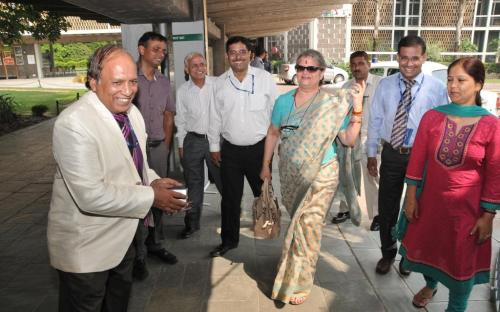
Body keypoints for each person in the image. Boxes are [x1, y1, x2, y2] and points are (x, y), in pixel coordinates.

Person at [47, 45, 187, 311]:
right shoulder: (74, 123)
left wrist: (154, 181)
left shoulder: (131, 114)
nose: (128, 90)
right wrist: (152, 196)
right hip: (86, 250)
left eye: (133, 81)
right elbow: (91, 196)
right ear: (93, 83)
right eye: (117, 82)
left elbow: (135, 166)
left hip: (123, 242)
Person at [260, 49, 366, 305]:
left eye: (311, 69)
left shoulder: (333, 103)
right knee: (296, 223)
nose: (305, 73)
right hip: (291, 174)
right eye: (301, 68)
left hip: (322, 174)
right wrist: (265, 165)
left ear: (321, 73)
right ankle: (294, 267)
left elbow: (349, 140)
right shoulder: (283, 102)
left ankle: (301, 281)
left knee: (308, 226)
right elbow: (273, 133)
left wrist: (358, 109)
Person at [399, 57, 499, 311]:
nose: (453, 86)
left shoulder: (491, 125)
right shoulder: (432, 118)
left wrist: (488, 215)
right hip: (430, 202)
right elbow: (417, 160)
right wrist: (411, 197)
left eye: (461, 80)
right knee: (429, 249)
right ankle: (431, 284)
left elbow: (495, 172)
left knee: (461, 263)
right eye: (450, 80)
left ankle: (455, 307)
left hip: (467, 209)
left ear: (478, 84)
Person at [366, 35, 448, 275]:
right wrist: (372, 153)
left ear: (424, 58)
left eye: (415, 58)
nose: (409, 63)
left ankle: (409, 255)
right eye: (404, 58)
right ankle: (388, 253)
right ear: (398, 57)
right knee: (388, 206)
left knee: (415, 208)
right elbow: (376, 120)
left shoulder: (437, 89)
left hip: (422, 158)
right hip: (392, 154)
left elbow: (442, 127)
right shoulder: (386, 85)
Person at [208, 36, 278, 257]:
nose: (237, 56)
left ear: (250, 54)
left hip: (259, 150)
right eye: (232, 52)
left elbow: (275, 116)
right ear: (227, 55)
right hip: (230, 150)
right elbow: (214, 117)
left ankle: (268, 230)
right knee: (230, 198)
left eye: (242, 52)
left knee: (264, 193)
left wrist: (273, 150)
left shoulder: (265, 79)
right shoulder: (219, 83)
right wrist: (213, 147)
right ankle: (229, 241)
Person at [133, 31, 177, 280]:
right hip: (134, 151)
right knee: (139, 199)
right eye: (156, 49)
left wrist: (166, 146)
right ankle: (138, 254)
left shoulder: (163, 82)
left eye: (163, 51)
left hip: (159, 147)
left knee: (160, 197)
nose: (161, 54)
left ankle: (156, 244)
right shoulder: (130, 79)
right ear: (141, 50)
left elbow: (168, 115)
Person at [331, 51, 382, 229]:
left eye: (361, 63)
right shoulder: (346, 87)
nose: (356, 67)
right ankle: (346, 208)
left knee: (372, 177)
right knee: (346, 174)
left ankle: (377, 215)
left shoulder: (379, 84)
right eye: (353, 64)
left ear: (368, 64)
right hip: (349, 139)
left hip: (372, 139)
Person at [175, 52, 222, 239]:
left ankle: (232, 211)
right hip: (192, 140)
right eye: (194, 65)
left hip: (216, 141)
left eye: (202, 64)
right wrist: (181, 144)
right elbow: (180, 119)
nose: (199, 68)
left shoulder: (217, 85)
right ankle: (192, 223)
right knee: (193, 182)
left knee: (222, 179)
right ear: (187, 69)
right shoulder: (182, 91)